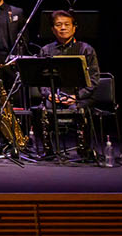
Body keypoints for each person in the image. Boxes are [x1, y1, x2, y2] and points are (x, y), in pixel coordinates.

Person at [37, 10, 103, 149]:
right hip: (55, 97)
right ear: (52, 29)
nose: (63, 28)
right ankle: (48, 150)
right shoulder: (46, 50)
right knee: (41, 110)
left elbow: (94, 79)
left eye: (67, 24)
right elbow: (40, 80)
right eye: (58, 25)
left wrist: (76, 96)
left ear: (74, 27)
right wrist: (49, 94)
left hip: (80, 97)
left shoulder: (86, 49)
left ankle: (85, 150)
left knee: (81, 110)